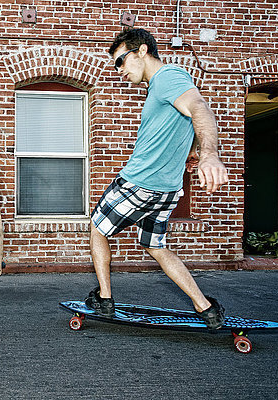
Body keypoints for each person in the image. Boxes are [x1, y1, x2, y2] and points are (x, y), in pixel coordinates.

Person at [86, 28, 230, 329]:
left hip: (139, 182)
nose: (120, 71)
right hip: (167, 190)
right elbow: (189, 119)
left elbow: (200, 109)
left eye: (121, 61)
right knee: (156, 245)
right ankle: (206, 309)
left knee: (98, 229)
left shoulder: (167, 77)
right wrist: (193, 152)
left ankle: (105, 299)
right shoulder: (163, 87)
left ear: (141, 51)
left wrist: (210, 155)